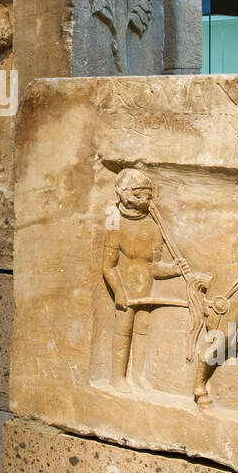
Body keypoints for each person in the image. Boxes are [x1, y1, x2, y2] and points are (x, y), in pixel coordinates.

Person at [100, 168, 188, 393]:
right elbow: (108, 266)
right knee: (123, 331)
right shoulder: (114, 223)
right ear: (125, 194)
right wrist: (119, 292)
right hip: (126, 291)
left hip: (145, 291)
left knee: (142, 332)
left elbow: (154, 267)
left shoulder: (153, 227)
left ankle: (138, 376)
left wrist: (174, 269)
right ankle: (116, 377)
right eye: (140, 195)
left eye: (149, 196)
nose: (146, 200)